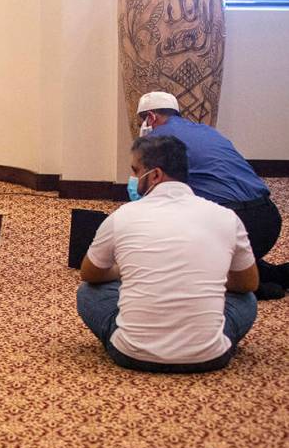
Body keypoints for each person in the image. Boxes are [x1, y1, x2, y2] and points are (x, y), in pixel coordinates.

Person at [77, 135, 258, 373]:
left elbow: (89, 273)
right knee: (247, 300)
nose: (132, 179)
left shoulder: (123, 216)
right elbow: (249, 282)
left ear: (155, 175)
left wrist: (127, 271)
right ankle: (203, 337)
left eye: (135, 170)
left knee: (89, 293)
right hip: (211, 355)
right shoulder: (226, 217)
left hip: (131, 353)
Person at [137, 91, 287, 300]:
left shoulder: (156, 140)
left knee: (173, 259)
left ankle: (251, 287)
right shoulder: (207, 131)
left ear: (150, 117)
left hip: (230, 224)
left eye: (140, 122)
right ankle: (271, 274)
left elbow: (151, 193)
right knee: (229, 250)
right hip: (268, 218)